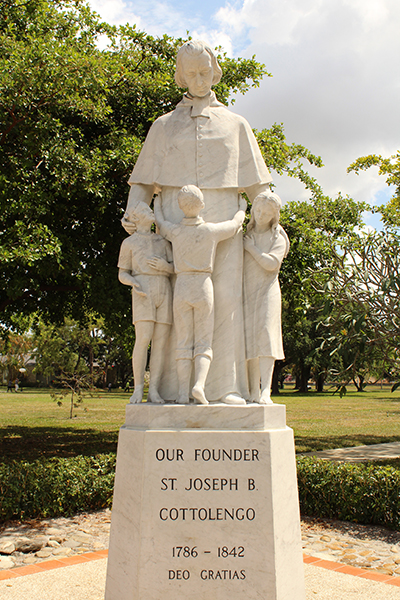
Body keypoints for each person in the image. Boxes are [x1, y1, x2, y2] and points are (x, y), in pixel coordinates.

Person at [122, 40, 273, 404]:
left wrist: (269, 221)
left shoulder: (237, 124)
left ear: (215, 70)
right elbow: (142, 183)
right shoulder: (163, 126)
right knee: (176, 311)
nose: (199, 79)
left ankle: (226, 388)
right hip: (172, 214)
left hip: (226, 215)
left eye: (204, 71)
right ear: (180, 76)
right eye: (191, 74)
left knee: (226, 301)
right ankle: (174, 389)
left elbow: (260, 186)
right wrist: (132, 214)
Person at [154, 186, 246, 405]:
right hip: (203, 285)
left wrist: (157, 201)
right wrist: (242, 206)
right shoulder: (210, 231)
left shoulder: (175, 231)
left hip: (183, 285)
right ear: (202, 205)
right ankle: (199, 385)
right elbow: (235, 225)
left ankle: (181, 392)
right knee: (204, 341)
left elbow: (159, 221)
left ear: (179, 206)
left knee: (184, 341)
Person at [118, 201, 173, 404]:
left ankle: (154, 390)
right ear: (136, 217)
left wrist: (165, 267)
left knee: (159, 344)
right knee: (143, 340)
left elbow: (175, 267)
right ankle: (138, 388)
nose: (150, 212)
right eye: (144, 210)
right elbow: (122, 272)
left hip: (163, 289)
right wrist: (132, 281)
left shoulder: (162, 241)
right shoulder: (129, 243)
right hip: (143, 291)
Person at [243, 192, 289, 404]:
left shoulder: (276, 237)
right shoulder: (246, 233)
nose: (261, 215)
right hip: (246, 291)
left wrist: (251, 248)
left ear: (274, 215)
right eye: (258, 210)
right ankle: (252, 390)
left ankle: (265, 391)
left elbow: (272, 264)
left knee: (266, 338)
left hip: (268, 291)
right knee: (249, 340)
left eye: (266, 213)